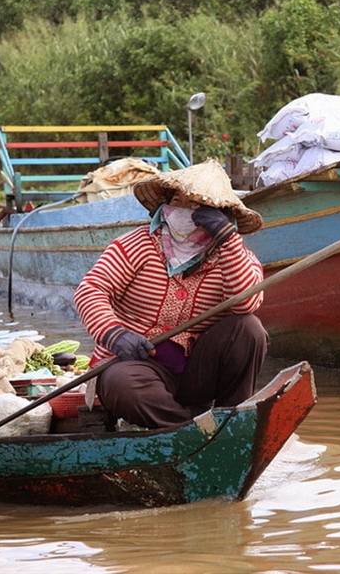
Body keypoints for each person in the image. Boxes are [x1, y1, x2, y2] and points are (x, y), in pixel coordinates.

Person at [73, 160, 268, 429]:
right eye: (178, 201)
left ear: (219, 215)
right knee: (124, 385)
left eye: (196, 205)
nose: (184, 211)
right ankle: (194, 431)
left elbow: (246, 302)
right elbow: (91, 290)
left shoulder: (235, 256)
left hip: (196, 375)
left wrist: (226, 238)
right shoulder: (136, 245)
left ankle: (230, 421)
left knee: (249, 329)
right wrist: (114, 334)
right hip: (135, 365)